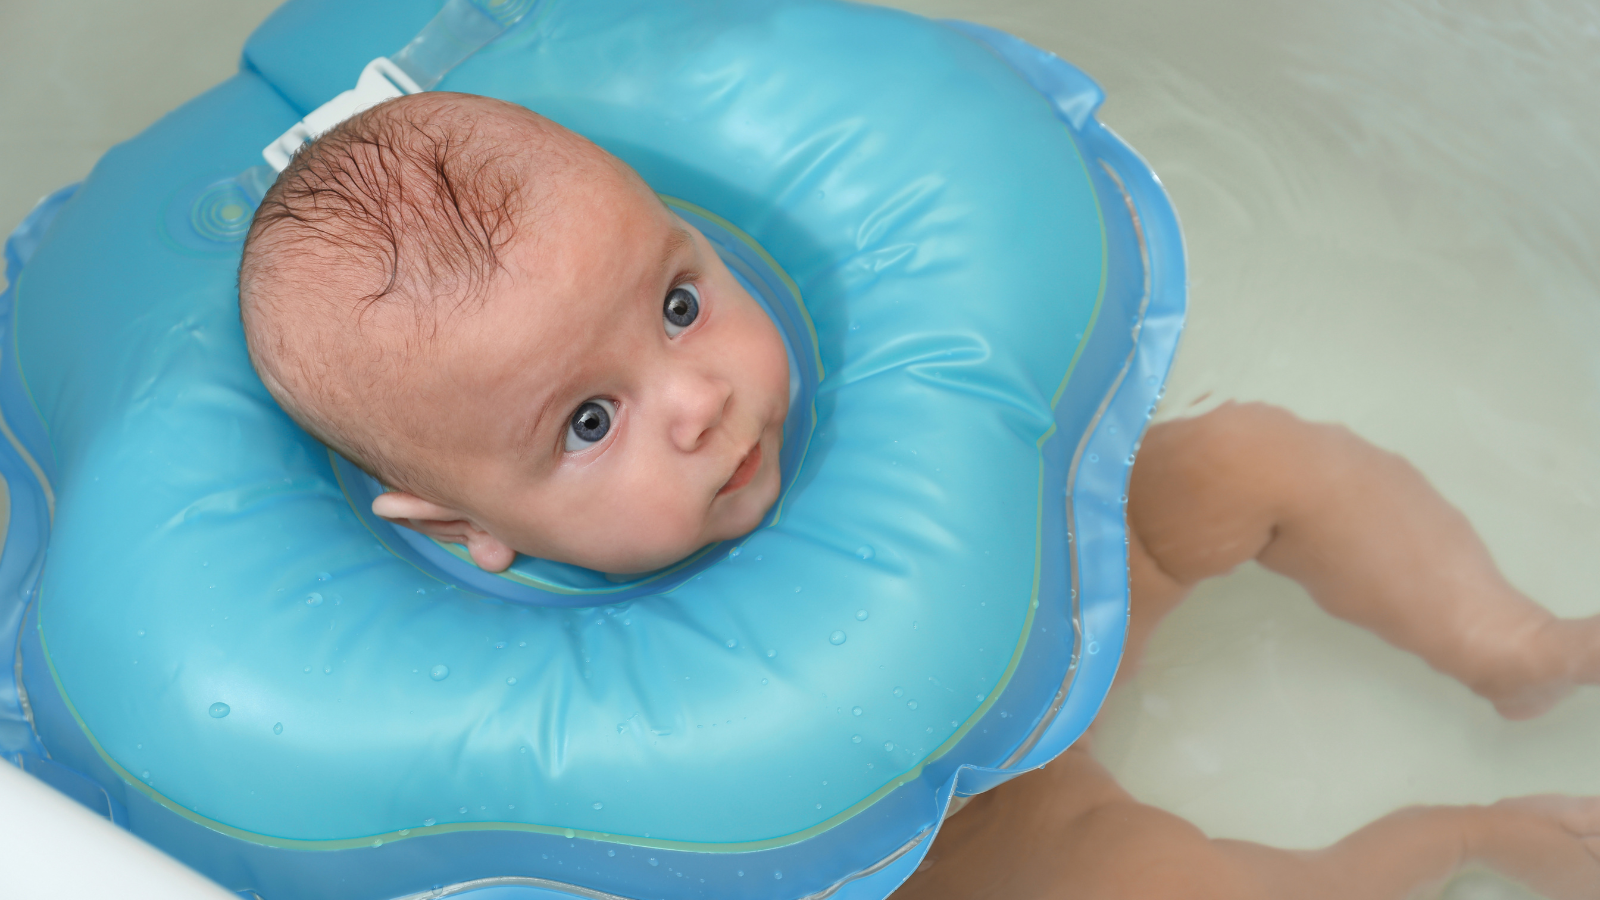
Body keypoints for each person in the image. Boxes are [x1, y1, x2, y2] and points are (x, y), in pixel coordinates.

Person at [239, 91, 1600, 898]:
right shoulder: (522, 715)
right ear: (462, 529)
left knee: (1253, 457)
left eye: (677, 300)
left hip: (1035, 614)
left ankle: (1517, 648)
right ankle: (1462, 835)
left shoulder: (847, 387)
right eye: (589, 422)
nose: (699, 396)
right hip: (981, 833)